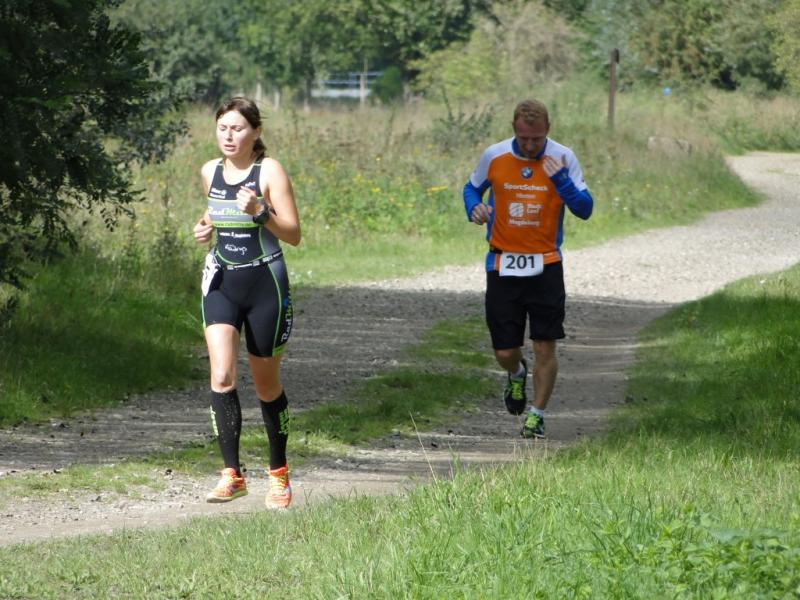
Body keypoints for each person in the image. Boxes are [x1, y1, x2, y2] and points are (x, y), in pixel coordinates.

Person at [192, 97, 301, 507]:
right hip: (222, 281)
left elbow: (293, 234)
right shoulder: (210, 171)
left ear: (255, 132)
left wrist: (260, 212)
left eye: (237, 128)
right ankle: (232, 474)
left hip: (264, 284)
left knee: (266, 385)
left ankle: (279, 474)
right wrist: (204, 228)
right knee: (221, 376)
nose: (229, 136)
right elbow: (214, 214)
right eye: (222, 128)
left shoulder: (269, 171)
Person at [463, 99, 593, 439]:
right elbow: (471, 188)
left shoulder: (563, 157)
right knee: (504, 350)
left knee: (544, 345)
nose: (531, 145)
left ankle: (536, 416)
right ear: (514, 130)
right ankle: (516, 373)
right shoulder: (495, 155)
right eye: (524, 139)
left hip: (546, 264)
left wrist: (561, 181)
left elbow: (585, 209)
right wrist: (474, 207)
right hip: (502, 263)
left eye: (537, 138)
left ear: (547, 130)